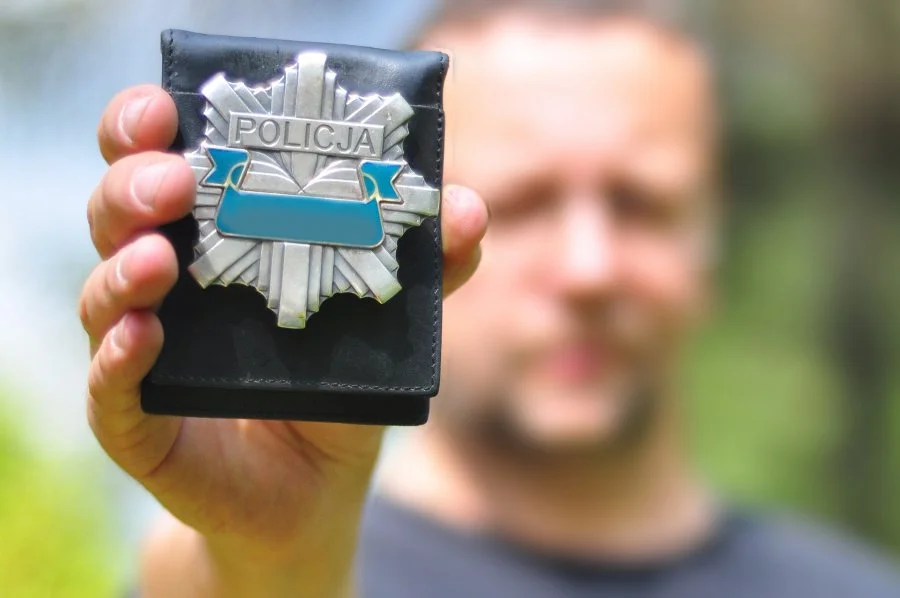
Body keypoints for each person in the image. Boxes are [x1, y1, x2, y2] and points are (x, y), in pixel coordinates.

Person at [79, 1, 900, 596]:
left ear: (713, 235)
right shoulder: (252, 568)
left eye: (642, 204)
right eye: (523, 203)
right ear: (418, 228)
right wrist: (276, 568)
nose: (588, 269)